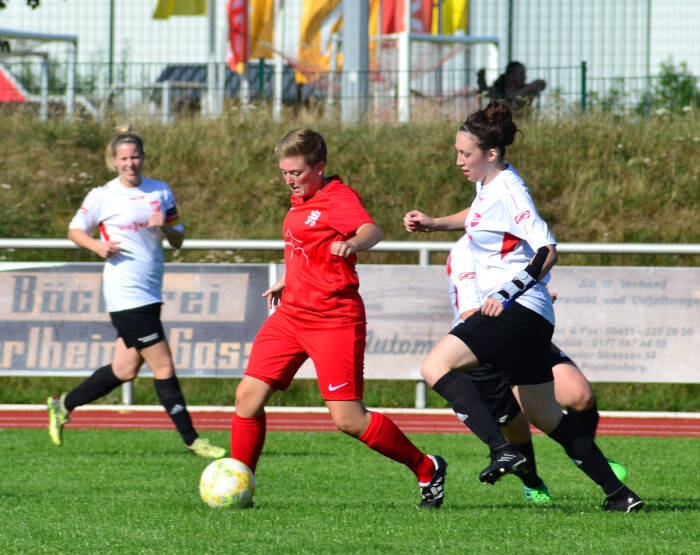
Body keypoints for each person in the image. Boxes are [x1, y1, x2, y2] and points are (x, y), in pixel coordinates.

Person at [404, 101, 642, 512]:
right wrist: (434, 223)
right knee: (547, 416)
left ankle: (502, 449)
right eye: (458, 152)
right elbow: (478, 216)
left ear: (491, 154)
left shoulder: (511, 191)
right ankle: (620, 495)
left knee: (435, 367)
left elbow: (548, 249)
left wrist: (504, 292)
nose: (458, 160)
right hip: (530, 316)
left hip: (516, 310)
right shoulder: (489, 186)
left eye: (466, 154)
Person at [229, 128, 447, 508]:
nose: (289, 180)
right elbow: (305, 245)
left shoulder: (337, 197)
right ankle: (239, 486)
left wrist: (353, 243)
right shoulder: (301, 198)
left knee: (348, 419)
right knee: (247, 396)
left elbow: (371, 229)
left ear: (319, 167)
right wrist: (288, 277)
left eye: (296, 172)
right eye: (283, 172)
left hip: (333, 318)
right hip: (292, 314)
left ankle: (426, 466)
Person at [47, 126, 226, 460]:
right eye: (124, 158)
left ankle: (63, 405)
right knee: (163, 365)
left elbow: (178, 239)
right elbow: (75, 229)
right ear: (114, 161)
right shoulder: (103, 195)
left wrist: (166, 227)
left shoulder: (160, 191)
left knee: (124, 370)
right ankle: (192, 440)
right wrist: (97, 245)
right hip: (125, 293)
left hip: (151, 290)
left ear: (143, 158)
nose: (130, 163)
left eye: (135, 157)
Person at [446, 233, 628, 501]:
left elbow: (533, 277)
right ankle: (533, 483)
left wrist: (535, 302)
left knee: (580, 396)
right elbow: (469, 313)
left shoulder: (528, 238)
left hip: (527, 335)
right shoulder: (467, 249)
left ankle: (585, 455)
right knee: (516, 425)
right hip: (489, 344)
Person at [477, 61, 546, 114]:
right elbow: (484, 90)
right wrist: (481, 79)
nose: (525, 77)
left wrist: (521, 93)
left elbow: (542, 83)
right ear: (510, 76)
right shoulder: (499, 90)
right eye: (521, 74)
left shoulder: (526, 88)